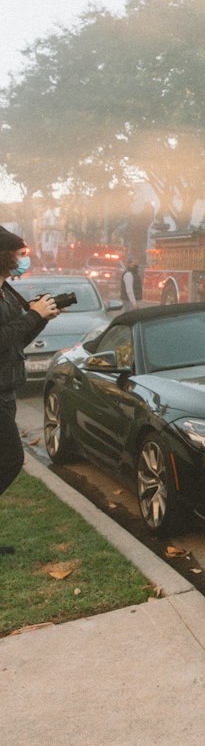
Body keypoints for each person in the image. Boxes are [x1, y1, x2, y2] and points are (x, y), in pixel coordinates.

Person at [0, 226, 61, 552]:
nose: (25, 260)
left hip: (7, 391)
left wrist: (42, 317)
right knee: (10, 461)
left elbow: (16, 339)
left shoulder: (7, 290)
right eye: (20, 254)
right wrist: (31, 316)